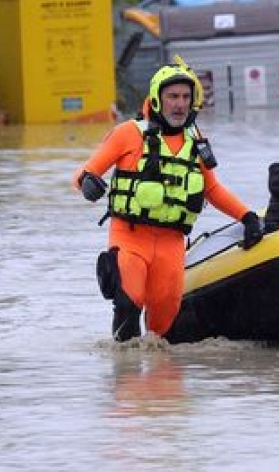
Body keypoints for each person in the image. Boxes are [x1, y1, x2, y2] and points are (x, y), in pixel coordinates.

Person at [73, 60, 263, 342]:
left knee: (162, 322)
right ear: (157, 99)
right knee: (129, 301)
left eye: (186, 97)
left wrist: (247, 217)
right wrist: (89, 183)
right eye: (173, 96)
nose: (180, 104)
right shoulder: (128, 133)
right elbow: (83, 173)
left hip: (171, 244)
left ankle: (161, 383)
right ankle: (125, 376)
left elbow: (213, 190)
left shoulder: (196, 142)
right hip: (130, 236)